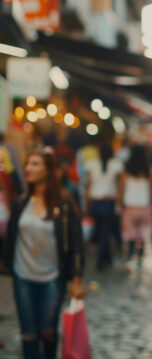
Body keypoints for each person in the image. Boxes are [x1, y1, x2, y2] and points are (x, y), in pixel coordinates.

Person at [1, 148, 84, 359]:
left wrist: (76, 278)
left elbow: (76, 242)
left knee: (47, 332)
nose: (28, 168)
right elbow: (11, 238)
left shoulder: (64, 203)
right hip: (23, 276)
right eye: (28, 163)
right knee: (28, 334)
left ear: (48, 170)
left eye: (35, 164)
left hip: (52, 277)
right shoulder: (20, 203)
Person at [84, 142, 124, 270]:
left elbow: (88, 185)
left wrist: (86, 203)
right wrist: (119, 202)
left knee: (101, 231)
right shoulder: (116, 165)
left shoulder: (92, 165)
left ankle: (105, 258)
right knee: (105, 232)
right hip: (108, 203)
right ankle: (102, 260)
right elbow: (121, 185)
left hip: (95, 202)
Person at [117, 144, 152, 266]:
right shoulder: (149, 171)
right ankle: (140, 254)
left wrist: (118, 203)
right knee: (142, 233)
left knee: (130, 233)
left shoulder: (126, 171)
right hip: (144, 205)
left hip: (130, 206)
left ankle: (131, 254)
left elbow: (121, 190)